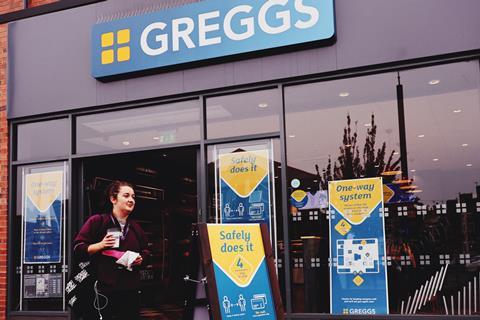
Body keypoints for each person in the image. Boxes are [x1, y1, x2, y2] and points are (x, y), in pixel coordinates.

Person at [74, 180, 149, 320]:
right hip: (101, 290)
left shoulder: (136, 227)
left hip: (130, 290)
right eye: (126, 196)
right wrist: (100, 245)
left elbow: (146, 251)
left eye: (133, 197)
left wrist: (141, 259)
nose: (131, 200)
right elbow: (78, 249)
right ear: (113, 199)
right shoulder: (97, 221)